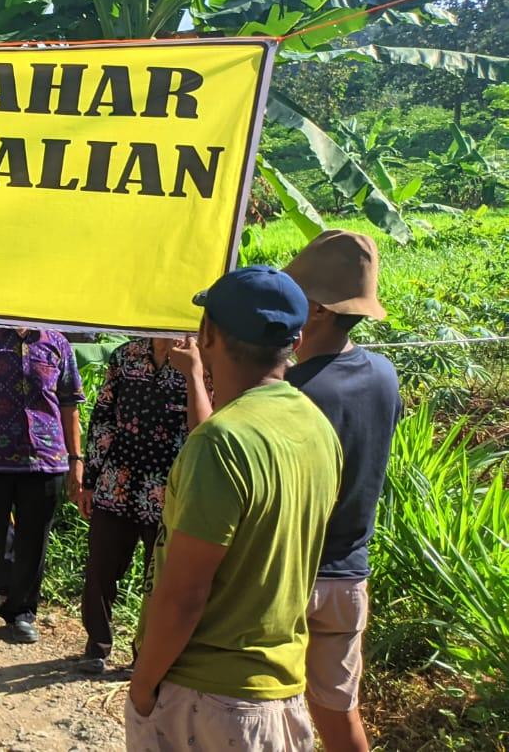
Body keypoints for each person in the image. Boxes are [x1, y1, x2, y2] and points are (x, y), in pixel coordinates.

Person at [126, 266, 341, 752]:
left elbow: (185, 594)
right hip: (281, 694)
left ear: (207, 335)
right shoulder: (317, 428)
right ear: (296, 340)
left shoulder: (220, 441)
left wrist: (143, 687)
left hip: (206, 698)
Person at [283, 231, 401, 752]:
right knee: (338, 714)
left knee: (271, 713)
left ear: (316, 311)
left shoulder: (293, 391)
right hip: (348, 576)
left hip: (288, 578)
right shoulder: (384, 375)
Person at [0, 325, 83, 647]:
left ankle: (21, 612)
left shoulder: (57, 343)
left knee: (33, 543)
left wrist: (76, 460)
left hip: (46, 460)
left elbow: (70, 406)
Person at [76, 336, 191, 675]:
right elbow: (103, 418)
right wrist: (90, 479)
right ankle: (96, 646)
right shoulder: (126, 356)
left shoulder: (198, 363)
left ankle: (147, 656)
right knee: (101, 566)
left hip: (169, 489)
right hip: (117, 480)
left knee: (160, 578)